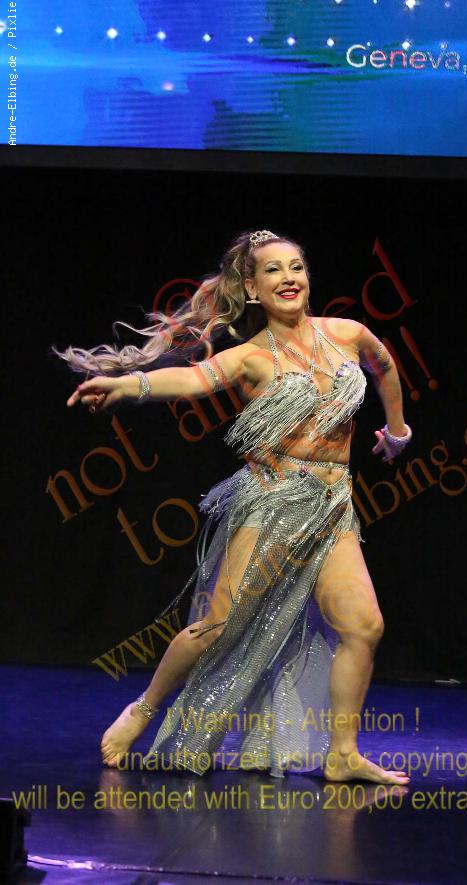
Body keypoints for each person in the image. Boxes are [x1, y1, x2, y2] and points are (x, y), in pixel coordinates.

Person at [59, 229, 413, 785]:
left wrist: (397, 431)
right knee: (218, 625)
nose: (288, 278)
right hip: (270, 502)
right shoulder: (251, 357)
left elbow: (384, 365)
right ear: (251, 288)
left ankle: (342, 754)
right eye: (273, 270)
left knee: (364, 625)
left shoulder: (347, 333)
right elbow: (190, 380)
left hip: (333, 507)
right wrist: (129, 386)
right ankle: (142, 711)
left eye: (296, 267)